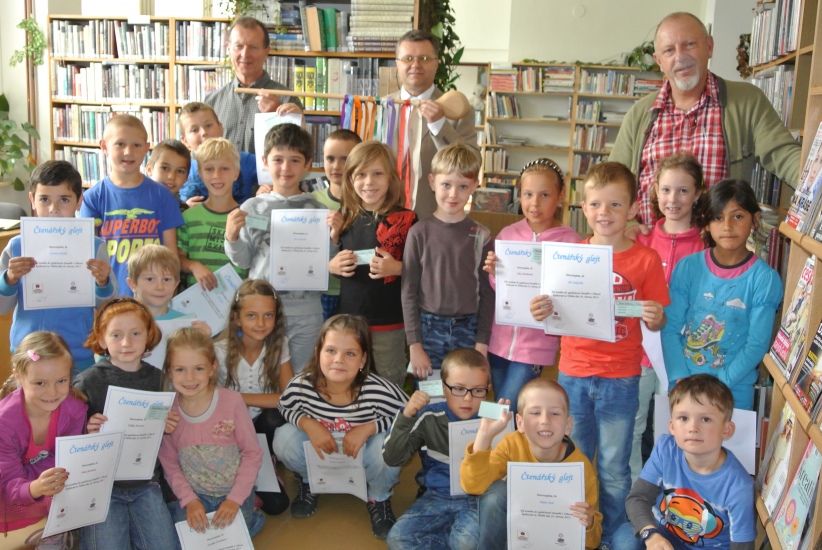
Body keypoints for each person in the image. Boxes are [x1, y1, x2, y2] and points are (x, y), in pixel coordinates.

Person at [530, 162, 669, 545]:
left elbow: (657, 319)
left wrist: (655, 316)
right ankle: (574, 532)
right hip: (573, 374)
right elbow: (550, 310)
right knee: (574, 457)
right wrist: (540, 309)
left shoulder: (645, 260)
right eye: (595, 204)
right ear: (583, 207)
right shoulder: (568, 256)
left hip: (621, 378)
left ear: (633, 208)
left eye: (615, 204)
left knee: (613, 466)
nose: (604, 213)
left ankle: (612, 534)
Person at [609, 12, 801, 226]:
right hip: (649, 243)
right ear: (659, 61)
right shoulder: (639, 114)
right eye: (669, 50)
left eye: (690, 44)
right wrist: (629, 229)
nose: (680, 57)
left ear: (709, 47)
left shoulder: (747, 101)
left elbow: (784, 155)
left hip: (716, 244)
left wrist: (815, 183)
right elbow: (611, 184)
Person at [272, 314, 408, 539]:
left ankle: (378, 495)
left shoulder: (379, 390)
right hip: (321, 451)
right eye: (331, 350)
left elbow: (409, 415)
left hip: (363, 453)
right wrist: (307, 423)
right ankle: (309, 481)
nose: (339, 360)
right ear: (318, 353)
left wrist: (370, 428)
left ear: (363, 360)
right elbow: (285, 407)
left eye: (350, 353)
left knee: (390, 444)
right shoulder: (302, 386)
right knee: (283, 438)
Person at [225, 123, 338, 373]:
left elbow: (327, 265)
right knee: (260, 375)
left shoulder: (319, 211)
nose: (286, 168)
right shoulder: (252, 207)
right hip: (262, 312)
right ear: (265, 162)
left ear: (307, 164)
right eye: (278, 160)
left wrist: (334, 237)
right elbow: (243, 261)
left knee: (301, 378)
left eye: (295, 160)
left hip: (306, 312)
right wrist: (231, 237)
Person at [661, 179, 782, 410]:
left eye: (738, 216)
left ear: (755, 219)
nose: (727, 226)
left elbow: (756, 345)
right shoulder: (688, 267)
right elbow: (670, 328)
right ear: (706, 223)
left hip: (732, 390)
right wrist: (680, 376)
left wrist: (720, 385)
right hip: (685, 385)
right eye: (717, 217)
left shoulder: (764, 279)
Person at [74, 297, 180, 550]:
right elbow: (68, 435)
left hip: (146, 484)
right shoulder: (88, 381)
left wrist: (167, 426)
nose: (126, 343)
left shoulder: (159, 380)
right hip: (102, 487)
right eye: (116, 335)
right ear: (102, 340)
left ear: (148, 335)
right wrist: (86, 429)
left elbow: (165, 431)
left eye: (135, 333)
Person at [629, 152, 706, 483]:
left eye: (683, 191)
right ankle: (636, 490)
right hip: (640, 351)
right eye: (666, 190)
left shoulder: (706, 244)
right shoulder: (641, 237)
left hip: (681, 356)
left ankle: (670, 491)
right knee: (633, 424)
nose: (673, 199)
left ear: (698, 194)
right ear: (655, 192)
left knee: (672, 427)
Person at [611, 374, 755, 549]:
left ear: (727, 430)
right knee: (624, 538)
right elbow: (638, 498)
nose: (693, 428)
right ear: (672, 426)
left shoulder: (739, 486)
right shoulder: (666, 449)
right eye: (684, 418)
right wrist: (651, 535)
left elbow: (743, 546)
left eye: (706, 419)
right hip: (663, 534)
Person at [482, 158, 580, 414]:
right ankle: (503, 440)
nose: (534, 203)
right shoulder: (507, 234)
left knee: (506, 408)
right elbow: (499, 288)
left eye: (544, 195)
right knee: (500, 405)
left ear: (560, 196)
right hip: (499, 341)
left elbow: (573, 296)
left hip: (536, 347)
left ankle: (492, 437)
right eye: (528, 194)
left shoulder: (571, 242)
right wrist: (494, 272)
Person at [0, 160, 116, 372]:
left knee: (77, 395)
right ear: (32, 200)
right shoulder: (16, 247)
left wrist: (102, 282)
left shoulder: (94, 247)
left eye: (64, 199)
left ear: (79, 201)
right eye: (44, 199)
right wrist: (9, 279)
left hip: (77, 352)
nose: (53, 209)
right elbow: (2, 307)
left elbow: (107, 307)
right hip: (29, 353)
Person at [460, 379, 602, 549]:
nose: (545, 420)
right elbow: (473, 486)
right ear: (520, 423)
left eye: (555, 413)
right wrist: (484, 435)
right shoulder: (511, 444)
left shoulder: (580, 468)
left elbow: (593, 542)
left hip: (555, 542)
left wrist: (589, 523)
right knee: (495, 493)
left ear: (568, 425)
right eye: (535, 412)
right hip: (518, 537)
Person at [158, 327, 265, 537]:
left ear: (212, 367)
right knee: (186, 542)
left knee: (227, 541)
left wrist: (235, 499)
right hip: (195, 497)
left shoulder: (232, 401)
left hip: (234, 494)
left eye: (198, 368)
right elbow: (169, 464)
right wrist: (189, 500)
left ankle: (253, 518)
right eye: (180, 370)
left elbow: (252, 453)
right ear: (169, 371)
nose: (190, 378)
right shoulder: (168, 412)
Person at [329, 141, 417, 386]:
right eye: (361, 175)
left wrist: (398, 268)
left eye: (378, 173)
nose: (369, 182)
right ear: (350, 179)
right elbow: (334, 261)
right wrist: (332, 266)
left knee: (389, 381)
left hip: (389, 322)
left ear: (391, 178)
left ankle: (389, 413)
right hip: (349, 322)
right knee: (348, 382)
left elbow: (425, 270)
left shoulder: (407, 219)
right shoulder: (344, 217)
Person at [402, 143, 493, 380]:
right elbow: (408, 291)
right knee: (430, 395)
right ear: (432, 182)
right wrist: (414, 345)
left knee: (465, 392)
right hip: (428, 329)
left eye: (462, 186)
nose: (453, 194)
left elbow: (487, 292)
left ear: (474, 186)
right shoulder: (418, 233)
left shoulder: (482, 236)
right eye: (446, 185)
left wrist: (482, 342)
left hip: (468, 329)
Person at [383, 348, 489, 550]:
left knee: (465, 543)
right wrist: (406, 415)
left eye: (477, 390)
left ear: (488, 389)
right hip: (437, 496)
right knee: (398, 538)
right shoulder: (428, 416)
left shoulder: (494, 416)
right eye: (458, 388)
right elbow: (393, 458)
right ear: (443, 388)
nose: (467, 398)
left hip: (478, 500)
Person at [80, 114, 184, 296]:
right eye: (120, 144)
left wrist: (170, 298)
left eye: (136, 145)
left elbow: (171, 255)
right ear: (104, 146)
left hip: (154, 298)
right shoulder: (92, 198)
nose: (128, 152)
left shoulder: (163, 196)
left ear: (146, 148)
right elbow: (89, 254)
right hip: (110, 296)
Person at [0, 332, 87, 549]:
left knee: (73, 483)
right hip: (10, 489)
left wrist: (41, 483)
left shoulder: (75, 411)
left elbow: (64, 463)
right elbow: (8, 482)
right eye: (40, 383)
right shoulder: (5, 421)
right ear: (19, 377)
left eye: (61, 381)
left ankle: (53, 533)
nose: (52, 392)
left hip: (40, 483)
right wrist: (35, 487)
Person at [215, 279, 292, 515]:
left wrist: (238, 397)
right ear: (237, 318)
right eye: (251, 316)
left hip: (259, 431)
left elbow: (289, 398)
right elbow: (208, 398)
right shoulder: (219, 350)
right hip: (227, 431)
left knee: (275, 416)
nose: (260, 323)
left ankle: (266, 459)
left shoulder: (279, 345)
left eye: (268, 315)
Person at [388, 29, 478, 218]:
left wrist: (439, 125)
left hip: (432, 219)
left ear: (436, 64)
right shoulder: (380, 109)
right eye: (408, 59)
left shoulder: (459, 111)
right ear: (397, 63)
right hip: (383, 217)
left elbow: (472, 164)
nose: (416, 65)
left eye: (424, 58)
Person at [205, 17, 303, 155]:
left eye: (253, 47)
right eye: (238, 46)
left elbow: (296, 154)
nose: (245, 54)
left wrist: (276, 117)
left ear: (266, 52)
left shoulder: (288, 100)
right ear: (229, 49)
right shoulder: (211, 102)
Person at [178, 137, 249, 290]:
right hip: (198, 299)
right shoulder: (188, 218)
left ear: (236, 173)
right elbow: (178, 258)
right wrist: (193, 266)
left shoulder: (245, 217)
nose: (217, 175)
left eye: (224, 168)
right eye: (209, 169)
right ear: (200, 173)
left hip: (238, 299)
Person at [314, 129, 362, 320]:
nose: (336, 166)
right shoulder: (310, 202)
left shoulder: (368, 204)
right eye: (330, 159)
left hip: (356, 292)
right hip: (320, 292)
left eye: (345, 159)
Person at [176, 102, 258, 205]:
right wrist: (184, 208)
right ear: (184, 140)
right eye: (194, 130)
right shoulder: (181, 169)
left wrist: (268, 187)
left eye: (208, 125)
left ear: (220, 128)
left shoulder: (244, 161)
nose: (203, 132)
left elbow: (274, 170)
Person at [145, 139, 191, 212]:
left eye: (180, 171)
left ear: (186, 178)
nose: (171, 177)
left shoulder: (186, 212)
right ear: (149, 169)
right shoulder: (134, 205)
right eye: (165, 168)